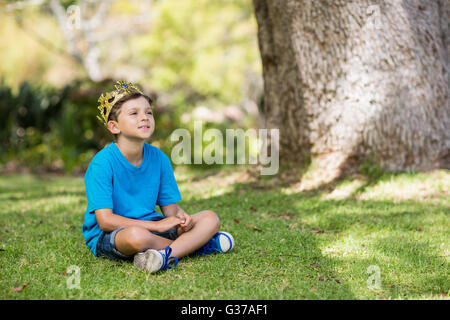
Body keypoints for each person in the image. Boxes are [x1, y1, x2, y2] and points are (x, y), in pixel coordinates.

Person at [82, 80, 235, 273]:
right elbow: (106, 221)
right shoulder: (102, 163)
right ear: (114, 127)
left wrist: (182, 218)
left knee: (210, 218)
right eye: (134, 113)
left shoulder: (159, 159)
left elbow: (171, 212)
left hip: (154, 227)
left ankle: (163, 256)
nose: (144, 117)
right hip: (112, 234)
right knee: (137, 237)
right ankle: (194, 247)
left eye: (148, 112)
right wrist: (161, 225)